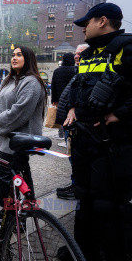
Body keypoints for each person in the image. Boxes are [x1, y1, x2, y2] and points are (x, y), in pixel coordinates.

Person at [63, 2, 132, 260]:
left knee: (108, 205)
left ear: (102, 21)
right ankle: (81, 252)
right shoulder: (89, 53)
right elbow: (79, 87)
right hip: (85, 142)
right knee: (84, 200)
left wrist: (119, 115)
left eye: (86, 23)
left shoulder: (126, 48)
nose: (83, 29)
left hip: (113, 145)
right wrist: (72, 108)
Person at [0, 46, 47, 230]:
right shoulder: (10, 80)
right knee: (15, 177)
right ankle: (10, 212)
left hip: (19, 140)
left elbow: (20, 111)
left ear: (28, 58)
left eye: (19, 55)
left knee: (8, 178)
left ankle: (16, 218)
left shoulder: (31, 82)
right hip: (7, 138)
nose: (14, 58)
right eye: (13, 55)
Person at [55, 44, 88, 200]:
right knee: (72, 156)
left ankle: (78, 186)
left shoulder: (86, 72)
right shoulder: (77, 71)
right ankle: (75, 184)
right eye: (75, 53)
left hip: (76, 123)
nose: (76, 56)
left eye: (80, 53)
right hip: (69, 122)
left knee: (75, 157)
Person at [51, 53, 75, 141]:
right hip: (71, 98)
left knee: (61, 116)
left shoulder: (57, 71)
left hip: (59, 98)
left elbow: (53, 86)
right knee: (71, 117)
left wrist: (54, 100)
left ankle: (61, 134)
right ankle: (68, 136)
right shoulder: (75, 69)